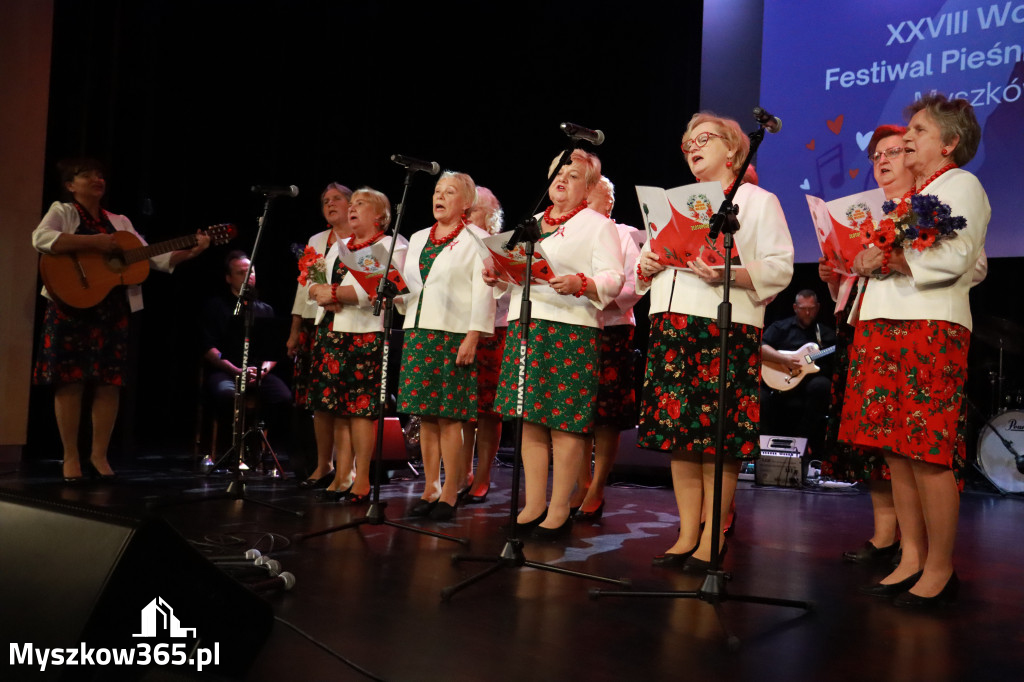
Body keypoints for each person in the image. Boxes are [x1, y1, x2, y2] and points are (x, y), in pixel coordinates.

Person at [844, 94, 988, 608]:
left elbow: (958, 258)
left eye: (920, 131)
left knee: (927, 451)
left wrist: (891, 260)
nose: (906, 138)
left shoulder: (962, 185)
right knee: (894, 449)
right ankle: (910, 556)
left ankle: (940, 567)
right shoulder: (909, 197)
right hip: (884, 322)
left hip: (930, 325)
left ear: (949, 143)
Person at [636, 113, 794, 570]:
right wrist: (646, 267)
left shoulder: (757, 200)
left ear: (732, 150)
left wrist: (732, 272)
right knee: (680, 437)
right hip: (672, 325)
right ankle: (687, 533)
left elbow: (780, 266)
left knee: (716, 439)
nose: (692, 148)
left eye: (702, 139)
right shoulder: (675, 203)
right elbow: (653, 259)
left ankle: (713, 536)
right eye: (686, 143)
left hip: (723, 327)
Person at [32, 158, 210, 481]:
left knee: (108, 383)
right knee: (70, 380)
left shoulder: (120, 221)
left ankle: (99, 455)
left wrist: (192, 251)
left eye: (100, 174)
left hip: (111, 311)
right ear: (71, 185)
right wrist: (93, 242)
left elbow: (154, 257)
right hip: (71, 306)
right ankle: (70, 456)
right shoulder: (64, 211)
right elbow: (41, 238)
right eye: (87, 175)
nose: (97, 179)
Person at [487, 149, 625, 538]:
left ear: (588, 187)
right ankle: (533, 504)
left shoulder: (598, 225)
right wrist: (495, 275)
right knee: (529, 420)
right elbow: (513, 274)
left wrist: (584, 283)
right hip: (526, 326)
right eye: (557, 173)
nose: (562, 180)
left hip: (571, 330)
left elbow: (614, 278)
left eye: (574, 175)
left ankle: (561, 506)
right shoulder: (530, 222)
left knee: (564, 424)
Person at [818, 125, 912, 565]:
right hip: (857, 328)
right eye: (876, 156)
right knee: (869, 439)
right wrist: (836, 274)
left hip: (902, 330)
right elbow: (858, 281)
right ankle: (883, 534)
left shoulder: (924, 209)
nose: (883, 161)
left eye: (893, 152)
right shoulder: (869, 215)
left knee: (899, 439)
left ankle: (912, 542)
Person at [396, 172, 496, 521]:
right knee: (426, 417)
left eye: (449, 192)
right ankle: (430, 487)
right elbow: (411, 286)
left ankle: (451, 490)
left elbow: (484, 291)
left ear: (466, 202)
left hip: (453, 336)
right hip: (419, 332)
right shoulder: (419, 237)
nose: (439, 196)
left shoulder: (478, 239)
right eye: (437, 191)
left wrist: (473, 335)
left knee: (450, 418)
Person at [307, 187, 404, 503]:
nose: (352, 208)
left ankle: (362, 479)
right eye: (353, 203)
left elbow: (382, 291)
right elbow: (320, 284)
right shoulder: (340, 246)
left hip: (365, 334)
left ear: (379, 215)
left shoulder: (388, 245)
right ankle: (341, 475)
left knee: (360, 411)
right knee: (337, 410)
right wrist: (321, 292)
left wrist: (334, 294)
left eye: (361, 204)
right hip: (332, 331)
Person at [571, 175, 643, 520]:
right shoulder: (571, 232)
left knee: (606, 416)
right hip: (574, 328)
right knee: (576, 411)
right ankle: (581, 483)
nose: (583, 205)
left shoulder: (624, 235)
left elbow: (633, 288)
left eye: (591, 199)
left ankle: (598, 486)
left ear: (609, 204)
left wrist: (592, 295)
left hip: (612, 330)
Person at [287, 183, 354, 489]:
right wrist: (295, 330)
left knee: (345, 401)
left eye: (336, 198)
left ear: (352, 204)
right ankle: (323, 464)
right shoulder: (317, 240)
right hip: (319, 326)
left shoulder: (362, 237)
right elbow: (306, 287)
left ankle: (346, 468)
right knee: (320, 401)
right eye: (325, 200)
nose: (330, 204)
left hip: (351, 325)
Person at [200, 250, 292, 461]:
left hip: (256, 372)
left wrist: (261, 372)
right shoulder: (217, 307)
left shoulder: (265, 309)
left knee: (284, 397)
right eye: (241, 272)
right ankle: (228, 451)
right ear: (229, 278)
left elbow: (275, 351)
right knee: (226, 395)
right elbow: (208, 348)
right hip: (226, 371)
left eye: (251, 272)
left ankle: (259, 448)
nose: (248, 276)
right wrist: (236, 370)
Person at [459, 187, 507, 503]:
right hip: (458, 332)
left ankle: (484, 475)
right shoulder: (451, 245)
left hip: (494, 333)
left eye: (473, 210)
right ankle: (462, 473)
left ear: (490, 217)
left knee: (488, 412)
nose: (466, 216)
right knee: (462, 409)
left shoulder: (501, 246)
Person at [759, 289, 837, 466]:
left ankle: (803, 441)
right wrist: (784, 359)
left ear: (818, 308)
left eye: (811, 308)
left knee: (822, 386)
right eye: (803, 308)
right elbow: (760, 346)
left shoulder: (825, 334)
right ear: (795, 307)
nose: (807, 313)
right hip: (779, 381)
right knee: (759, 398)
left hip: (809, 386)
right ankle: (763, 448)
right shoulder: (781, 328)